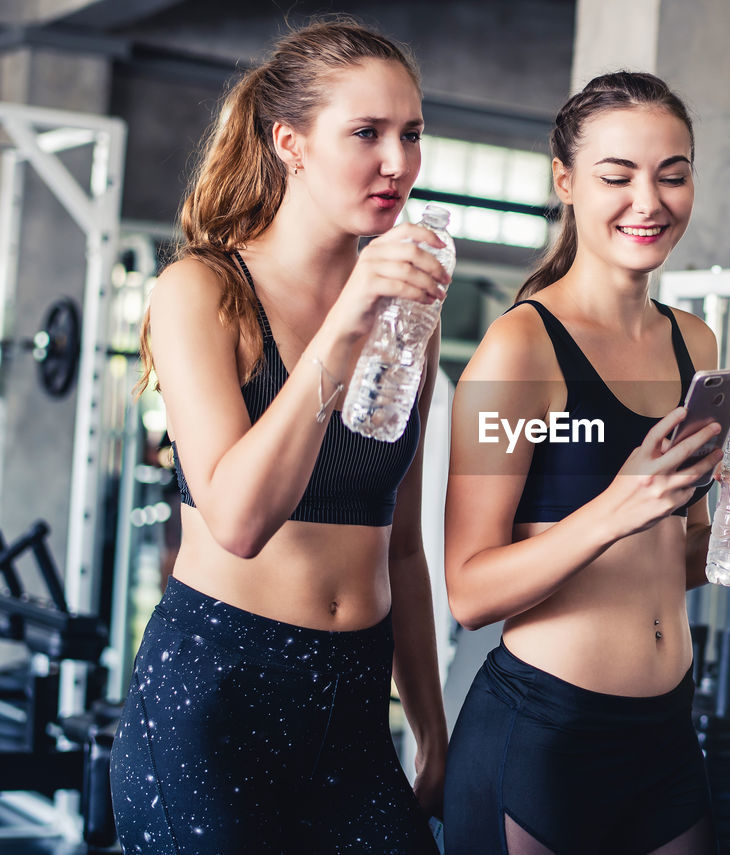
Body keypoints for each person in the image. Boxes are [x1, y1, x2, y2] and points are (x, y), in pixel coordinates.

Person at [109, 19, 449, 854]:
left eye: (411, 134)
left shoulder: (413, 317)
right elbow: (239, 518)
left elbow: (400, 547)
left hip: (357, 707)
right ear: (290, 143)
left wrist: (432, 725)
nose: (397, 162)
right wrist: (349, 318)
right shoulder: (200, 290)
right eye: (365, 133)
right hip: (218, 699)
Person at [442, 71, 730, 854]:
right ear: (566, 183)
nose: (650, 200)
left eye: (673, 174)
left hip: (668, 732)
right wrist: (621, 502)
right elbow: (468, 589)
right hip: (546, 736)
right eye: (618, 175)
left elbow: (672, 556)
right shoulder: (522, 350)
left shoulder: (694, 343)